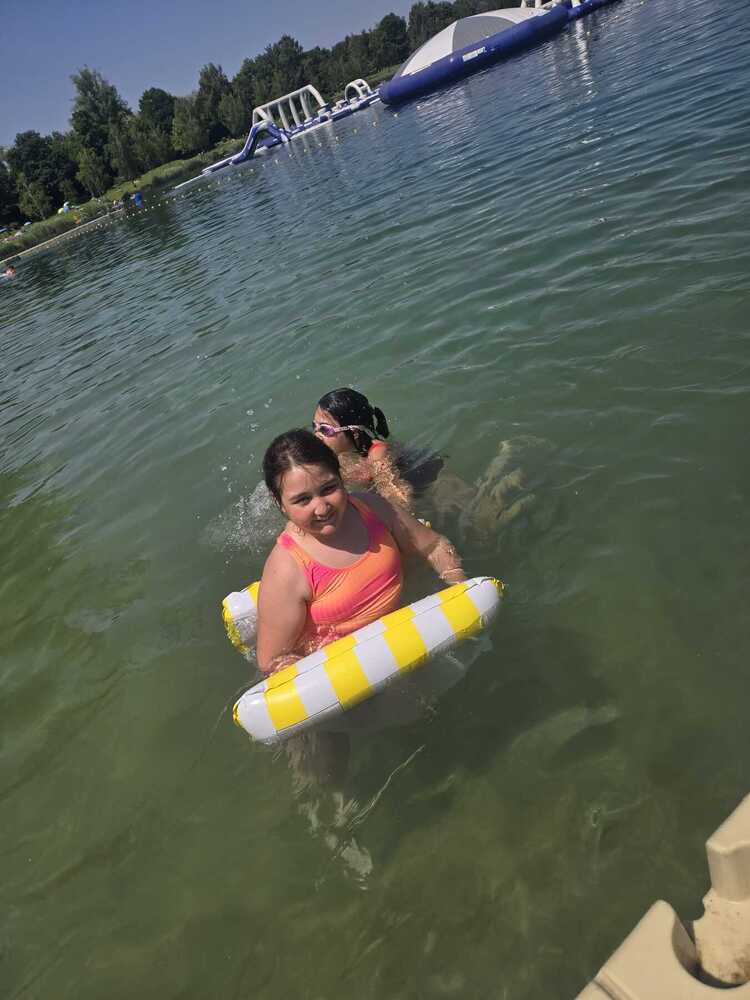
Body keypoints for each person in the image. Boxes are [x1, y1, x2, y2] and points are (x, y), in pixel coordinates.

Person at [256, 429, 467, 676]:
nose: (322, 508)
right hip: (351, 670)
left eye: (329, 488)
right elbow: (273, 661)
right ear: (279, 502)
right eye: (303, 500)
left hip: (406, 633)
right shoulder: (286, 569)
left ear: (340, 476)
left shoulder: (373, 509)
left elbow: (433, 546)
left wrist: (459, 588)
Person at [312, 388, 415, 509]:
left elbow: (402, 496)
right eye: (314, 426)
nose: (316, 434)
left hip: (418, 480)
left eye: (325, 429)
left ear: (354, 431)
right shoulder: (338, 453)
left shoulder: (378, 453)